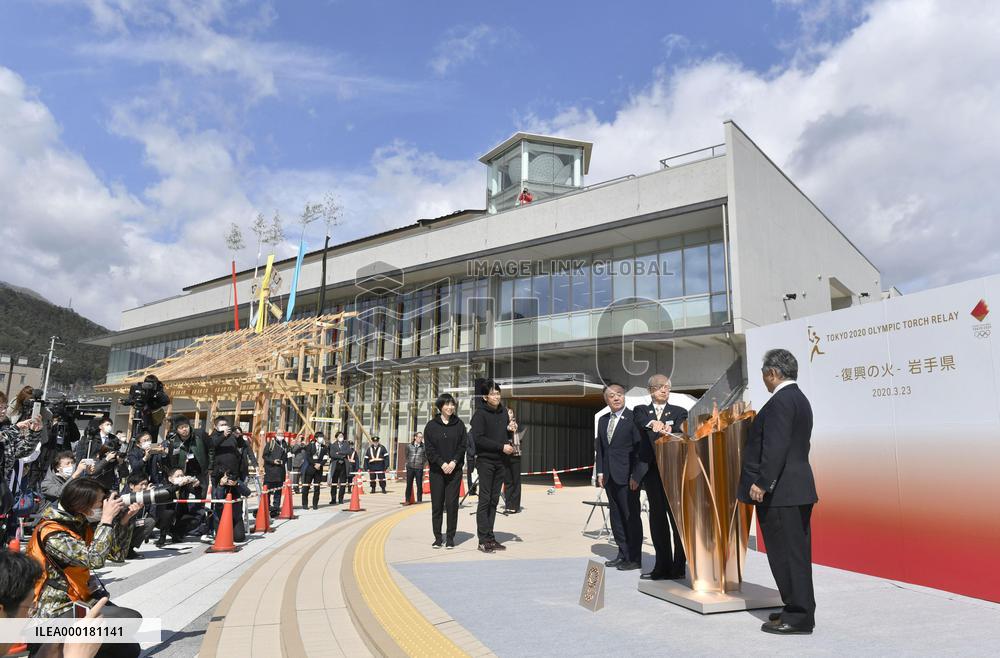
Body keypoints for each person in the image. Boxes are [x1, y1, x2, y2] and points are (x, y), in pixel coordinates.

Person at [739, 348, 817, 635]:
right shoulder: (798, 398)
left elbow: (776, 447)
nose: (764, 381)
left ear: (772, 373)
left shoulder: (782, 401)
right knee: (793, 554)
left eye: (763, 376)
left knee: (786, 555)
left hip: (782, 492)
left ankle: (798, 617)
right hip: (794, 490)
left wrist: (762, 482)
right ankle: (795, 607)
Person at [26, 477, 143, 658]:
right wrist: (106, 519)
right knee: (130, 619)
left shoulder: (78, 522)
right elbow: (94, 559)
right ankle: (50, 649)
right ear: (81, 505)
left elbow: (116, 556)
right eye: (100, 503)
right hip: (52, 612)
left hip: (79, 601)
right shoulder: (51, 532)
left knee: (129, 649)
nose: (103, 507)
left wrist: (124, 522)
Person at [632, 374, 688, 580]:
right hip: (653, 473)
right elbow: (642, 421)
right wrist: (653, 423)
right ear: (650, 390)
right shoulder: (640, 410)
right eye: (659, 387)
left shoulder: (679, 411)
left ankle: (679, 566)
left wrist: (671, 427)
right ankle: (661, 567)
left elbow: (684, 426)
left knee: (677, 521)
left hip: (674, 472)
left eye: (667, 387)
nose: (664, 390)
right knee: (657, 519)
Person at [595, 382, 644, 571]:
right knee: (616, 517)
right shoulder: (603, 419)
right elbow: (600, 449)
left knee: (631, 516)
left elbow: (639, 450)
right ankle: (622, 553)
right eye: (612, 395)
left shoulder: (633, 418)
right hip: (609, 476)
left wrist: (636, 475)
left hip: (627, 477)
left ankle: (634, 557)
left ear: (624, 397)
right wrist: (600, 471)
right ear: (606, 399)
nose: (616, 398)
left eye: (619, 394)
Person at [470, 379, 516, 554]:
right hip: (486, 461)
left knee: (494, 500)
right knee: (485, 499)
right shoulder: (479, 415)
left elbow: (503, 435)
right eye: (493, 393)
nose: (496, 396)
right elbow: (479, 438)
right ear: (485, 396)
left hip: (501, 461)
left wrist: (510, 430)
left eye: (498, 393)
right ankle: (483, 539)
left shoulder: (504, 412)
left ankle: (490, 537)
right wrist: (501, 447)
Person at [423, 394, 467, 549]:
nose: (450, 407)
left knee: (452, 505)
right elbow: (429, 449)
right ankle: (437, 537)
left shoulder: (459, 425)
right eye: (447, 404)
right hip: (437, 471)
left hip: (454, 472)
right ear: (440, 406)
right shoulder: (431, 426)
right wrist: (442, 464)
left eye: (452, 404)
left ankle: (450, 538)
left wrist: (454, 462)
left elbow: (463, 446)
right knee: (437, 505)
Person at [155, 468, 204, 547]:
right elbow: (170, 491)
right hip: (162, 518)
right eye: (177, 476)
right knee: (169, 513)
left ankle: (176, 534)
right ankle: (162, 537)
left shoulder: (185, 487)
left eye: (182, 475)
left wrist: (197, 486)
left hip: (179, 515)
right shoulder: (165, 486)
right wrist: (178, 485)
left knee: (194, 520)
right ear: (170, 479)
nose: (181, 477)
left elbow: (198, 494)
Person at [166, 415, 210, 494]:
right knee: (183, 495)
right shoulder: (174, 443)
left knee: (201, 494)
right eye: (181, 428)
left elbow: (211, 450)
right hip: (184, 472)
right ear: (177, 430)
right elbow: (173, 460)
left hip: (201, 470)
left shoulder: (200, 435)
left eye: (186, 426)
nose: (184, 429)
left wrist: (210, 467)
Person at [294, 434, 329, 510]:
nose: (321, 439)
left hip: (319, 469)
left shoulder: (324, 447)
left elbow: (325, 458)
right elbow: (308, 456)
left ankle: (315, 504)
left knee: (317, 488)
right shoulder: (310, 446)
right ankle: (305, 504)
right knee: (306, 487)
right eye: (320, 437)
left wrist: (320, 464)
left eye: (322, 437)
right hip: (310, 468)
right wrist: (314, 464)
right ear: (316, 438)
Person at [502, 406, 523, 514]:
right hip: (505, 455)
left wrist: (512, 430)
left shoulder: (517, 425)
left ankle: (515, 505)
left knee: (516, 481)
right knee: (508, 481)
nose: (509, 414)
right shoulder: (502, 426)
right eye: (507, 413)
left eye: (510, 412)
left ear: (513, 414)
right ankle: (508, 504)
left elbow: (520, 438)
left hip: (515, 455)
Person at [261, 432, 287, 516]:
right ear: (276, 435)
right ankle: (266, 506)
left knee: (278, 491)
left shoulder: (285, 444)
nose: (281, 436)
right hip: (270, 471)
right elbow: (264, 456)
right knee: (267, 491)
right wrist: (273, 461)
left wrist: (283, 461)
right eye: (279, 434)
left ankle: (275, 509)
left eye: (282, 434)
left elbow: (287, 456)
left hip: (280, 471)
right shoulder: (270, 444)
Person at [327, 431, 352, 504]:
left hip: (344, 465)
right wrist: (342, 455)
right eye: (340, 436)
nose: (341, 437)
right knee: (334, 483)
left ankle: (341, 499)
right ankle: (333, 499)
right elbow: (332, 454)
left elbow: (349, 452)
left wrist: (339, 453)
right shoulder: (333, 445)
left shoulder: (346, 444)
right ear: (337, 437)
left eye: (342, 436)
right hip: (336, 465)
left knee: (343, 483)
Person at [404, 432, 426, 504]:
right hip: (410, 467)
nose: (420, 439)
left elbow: (426, 457)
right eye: (419, 437)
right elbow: (407, 455)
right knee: (409, 484)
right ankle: (407, 500)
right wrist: (408, 463)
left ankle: (419, 500)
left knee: (419, 484)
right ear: (415, 437)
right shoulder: (409, 446)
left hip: (419, 467)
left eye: (421, 437)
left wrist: (422, 463)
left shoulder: (424, 447)